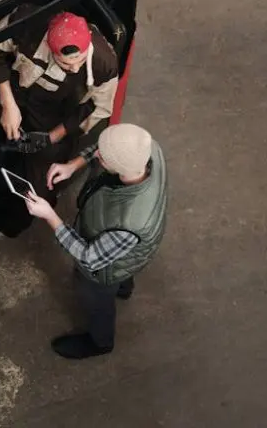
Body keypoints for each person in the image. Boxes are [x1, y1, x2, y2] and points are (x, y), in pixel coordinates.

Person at [0, 5, 119, 251]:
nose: (76, 69)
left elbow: (98, 108)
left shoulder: (104, 63)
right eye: (67, 64)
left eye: (80, 62)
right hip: (8, 87)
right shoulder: (25, 22)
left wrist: (51, 137)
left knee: (39, 193)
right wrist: (7, 104)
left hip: (51, 109)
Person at [25, 122, 167, 360]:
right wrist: (74, 165)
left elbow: (88, 257)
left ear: (117, 167)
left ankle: (100, 342)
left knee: (96, 298)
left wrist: (49, 215)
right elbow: (105, 149)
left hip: (103, 267)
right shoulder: (146, 148)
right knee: (123, 269)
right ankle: (124, 287)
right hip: (128, 249)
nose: (96, 154)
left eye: (103, 157)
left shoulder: (129, 224)